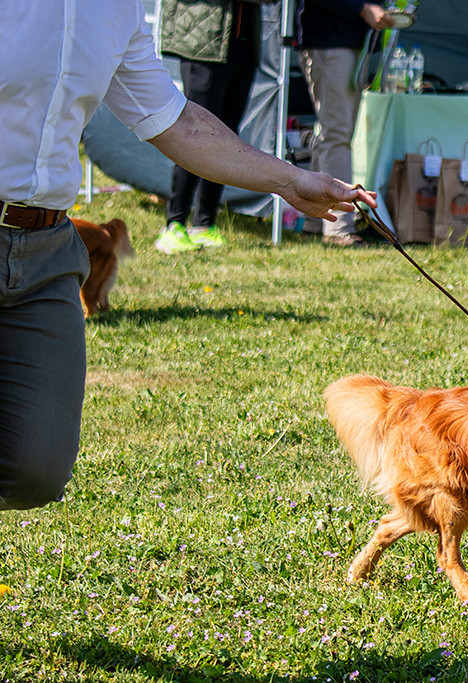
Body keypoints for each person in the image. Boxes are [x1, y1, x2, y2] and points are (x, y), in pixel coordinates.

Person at [0, 0, 376, 511]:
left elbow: (174, 119)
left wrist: (290, 179)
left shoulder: (114, 9)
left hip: (47, 250)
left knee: (36, 469)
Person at [155, 0, 270, 255]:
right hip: (203, 46)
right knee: (195, 135)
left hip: (242, 47)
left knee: (226, 137)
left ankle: (205, 223)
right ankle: (174, 223)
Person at [295, 0, 395, 247]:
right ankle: (338, 227)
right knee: (336, 135)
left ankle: (315, 222)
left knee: (331, 133)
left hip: (347, 42)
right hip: (329, 42)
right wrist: (363, 8)